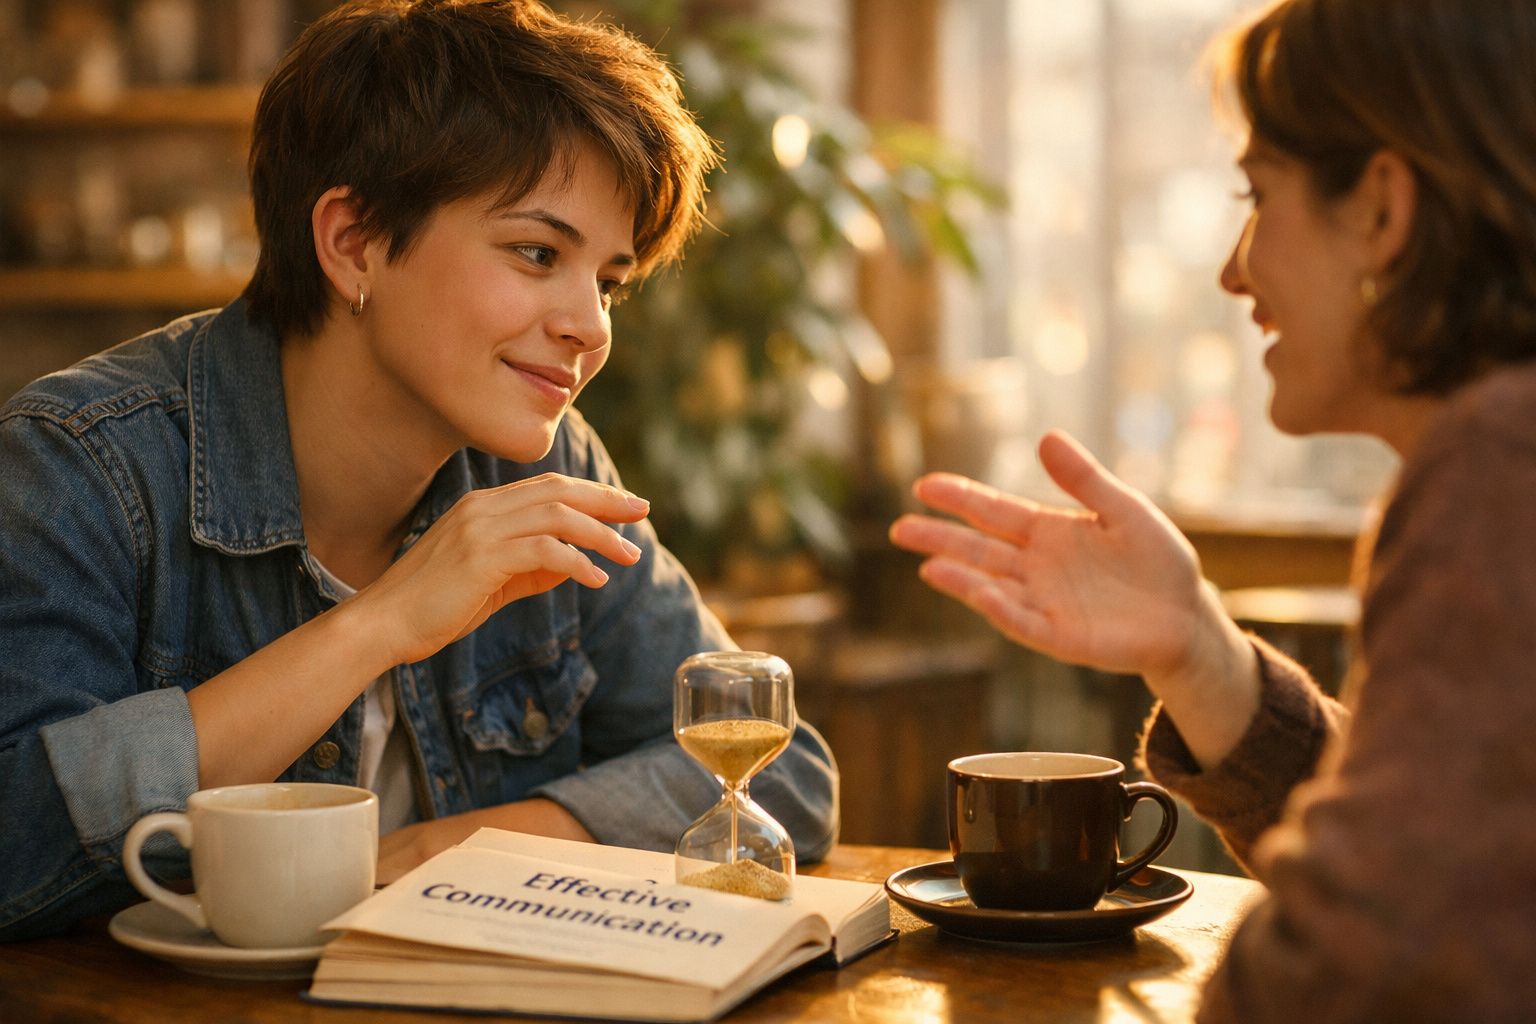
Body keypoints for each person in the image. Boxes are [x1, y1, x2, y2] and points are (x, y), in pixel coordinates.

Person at [0, 0, 836, 942]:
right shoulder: (85, 462)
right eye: (536, 253)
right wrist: (380, 623)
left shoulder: (547, 460)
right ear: (352, 243)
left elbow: (781, 776)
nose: (591, 327)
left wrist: (463, 850)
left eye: (607, 280)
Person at [891, 0, 1536, 1019]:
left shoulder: (1497, 463)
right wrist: (1195, 647)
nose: (1235, 269)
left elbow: (1349, 963)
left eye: (1259, 195)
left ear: (1381, 208)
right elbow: (1450, 852)